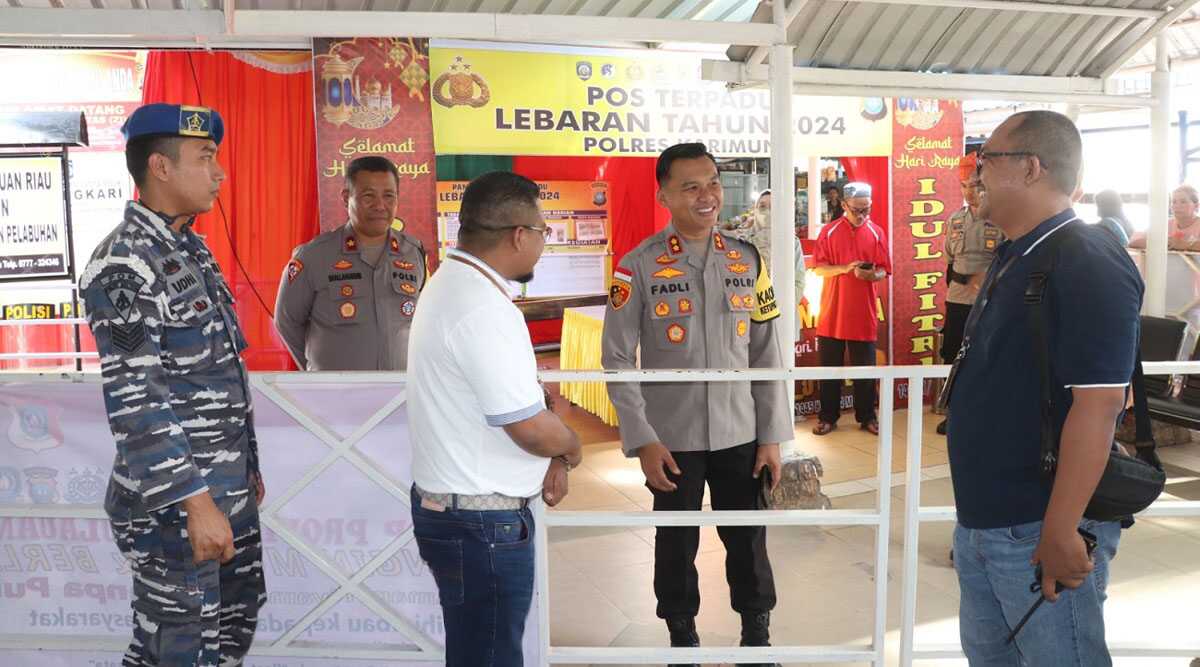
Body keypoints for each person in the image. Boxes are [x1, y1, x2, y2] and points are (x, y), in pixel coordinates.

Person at [945, 110, 1142, 665]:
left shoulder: (1085, 258)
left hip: (1038, 528)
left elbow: (1101, 404)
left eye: (985, 162)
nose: (974, 175)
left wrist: (1059, 532)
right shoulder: (1016, 252)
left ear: (1030, 168)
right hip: (987, 523)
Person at [80, 103, 266, 665]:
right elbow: (137, 401)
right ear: (160, 168)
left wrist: (246, 468)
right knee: (176, 647)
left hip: (223, 489)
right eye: (205, 158)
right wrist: (196, 504)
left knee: (231, 626)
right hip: (177, 505)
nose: (219, 172)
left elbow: (217, 374)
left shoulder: (190, 249)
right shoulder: (123, 265)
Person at [601, 143, 792, 667]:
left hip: (740, 432)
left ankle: (757, 637)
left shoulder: (747, 259)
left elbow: (766, 351)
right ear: (663, 195)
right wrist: (641, 439)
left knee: (749, 541)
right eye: (691, 186)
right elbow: (617, 358)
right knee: (676, 543)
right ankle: (682, 638)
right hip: (672, 439)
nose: (707, 196)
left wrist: (772, 435)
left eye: (712, 183)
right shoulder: (636, 267)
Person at [407, 171, 582, 667]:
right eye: (544, 232)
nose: (543, 244)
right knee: (489, 656)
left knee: (478, 651)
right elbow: (527, 428)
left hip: (464, 513)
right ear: (520, 235)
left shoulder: (453, 284)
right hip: (482, 523)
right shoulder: (481, 306)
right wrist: (570, 445)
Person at [274, 155, 427, 370]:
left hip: (399, 391)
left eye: (389, 196)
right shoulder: (313, 256)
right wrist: (318, 369)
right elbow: (287, 321)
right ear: (347, 197)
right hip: (337, 395)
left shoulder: (413, 253)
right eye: (368, 196)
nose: (380, 205)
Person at [809, 182, 891, 436]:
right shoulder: (829, 232)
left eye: (867, 209)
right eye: (857, 210)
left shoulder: (876, 232)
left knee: (865, 370)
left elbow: (884, 269)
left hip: (863, 313)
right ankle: (828, 417)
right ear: (844, 205)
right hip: (832, 312)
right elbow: (819, 268)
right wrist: (845, 268)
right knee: (830, 370)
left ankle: (867, 416)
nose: (863, 215)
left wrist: (871, 276)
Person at [939, 154, 1003, 435]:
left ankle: (983, 413)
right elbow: (950, 260)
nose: (970, 191)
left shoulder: (1000, 219)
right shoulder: (954, 220)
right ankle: (952, 412)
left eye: (975, 184)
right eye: (964, 185)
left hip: (988, 300)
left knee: (985, 356)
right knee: (952, 354)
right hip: (957, 298)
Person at [724, 189, 808, 342]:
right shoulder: (741, 241)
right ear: (754, 210)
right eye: (762, 206)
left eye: (773, 207)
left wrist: (777, 307)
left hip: (782, 320)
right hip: (748, 320)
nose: (767, 211)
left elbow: (799, 281)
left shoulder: (791, 242)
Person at [1131, 184, 1200, 250]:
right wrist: (1163, 243)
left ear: (1196, 206)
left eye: (1183, 202)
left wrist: (1185, 245)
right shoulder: (1165, 224)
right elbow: (1134, 241)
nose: (1177, 206)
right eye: (1174, 202)